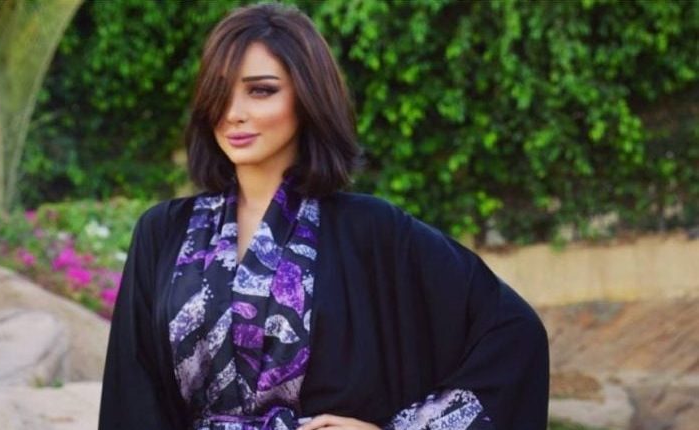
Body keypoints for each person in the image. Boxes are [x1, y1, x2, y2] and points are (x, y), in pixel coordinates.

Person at [99, 3, 549, 430]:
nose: (233, 113)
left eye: (261, 90)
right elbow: (131, 394)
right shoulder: (164, 232)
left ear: (307, 96)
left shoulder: (371, 230)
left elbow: (513, 334)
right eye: (219, 91)